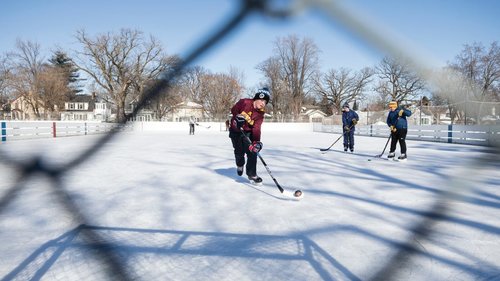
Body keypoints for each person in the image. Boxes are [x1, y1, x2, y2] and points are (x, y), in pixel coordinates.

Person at [228, 87, 270, 184]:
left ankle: (252, 174)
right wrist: (237, 117)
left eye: (265, 102)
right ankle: (240, 164)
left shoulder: (260, 114)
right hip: (235, 131)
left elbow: (257, 128)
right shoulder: (244, 102)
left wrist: (256, 142)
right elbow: (234, 110)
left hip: (247, 132)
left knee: (252, 152)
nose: (263, 103)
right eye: (261, 100)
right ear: (256, 98)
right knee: (239, 152)